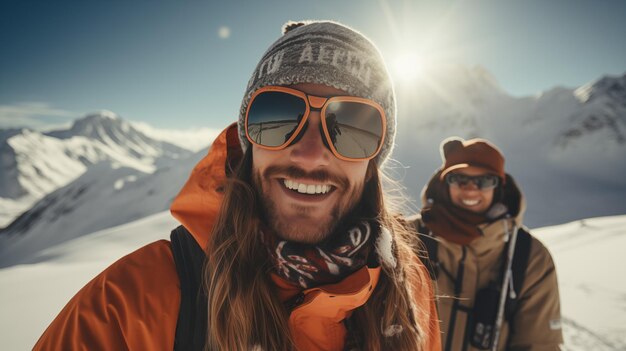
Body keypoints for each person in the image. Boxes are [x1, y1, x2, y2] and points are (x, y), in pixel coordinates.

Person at [34, 20, 441, 351]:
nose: (311, 153)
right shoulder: (127, 305)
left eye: (352, 126)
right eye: (279, 116)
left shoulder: (407, 290)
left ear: (375, 157)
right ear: (247, 141)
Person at [408, 137, 563, 351]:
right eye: (459, 179)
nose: (471, 189)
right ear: (445, 183)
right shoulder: (407, 237)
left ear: (499, 187)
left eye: (484, 181)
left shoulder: (529, 257)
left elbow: (539, 344)